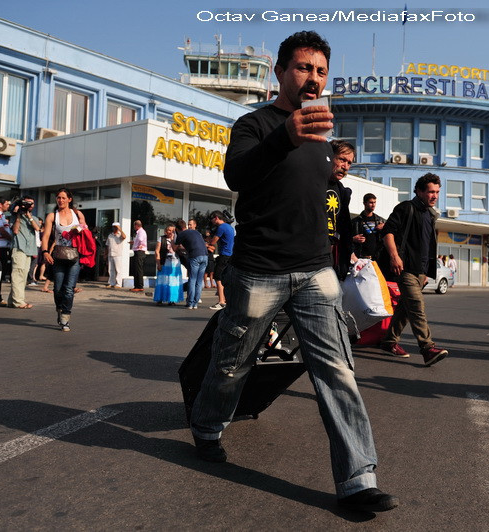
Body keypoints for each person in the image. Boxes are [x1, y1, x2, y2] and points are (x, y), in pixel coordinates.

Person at [190, 31, 398, 513]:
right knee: (231, 362)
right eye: (304, 68)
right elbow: (236, 176)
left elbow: (315, 207)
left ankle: (358, 481)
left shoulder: (324, 142)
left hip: (314, 272)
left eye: (321, 71)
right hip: (258, 271)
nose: (313, 78)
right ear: (280, 71)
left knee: (337, 371)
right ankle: (206, 426)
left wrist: (342, 258)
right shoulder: (254, 124)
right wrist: (284, 137)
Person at [379, 173, 449, 366]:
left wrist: (426, 272)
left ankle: (389, 341)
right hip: (405, 269)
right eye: (430, 192)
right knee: (417, 307)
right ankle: (427, 348)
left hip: (420, 272)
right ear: (418, 191)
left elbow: (426, 246)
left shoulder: (429, 214)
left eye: (437, 192)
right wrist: (394, 256)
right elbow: (388, 232)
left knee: (405, 308)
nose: (434, 196)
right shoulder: (406, 208)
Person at [40, 188, 86, 332]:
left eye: (63, 198)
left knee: (69, 289)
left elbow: (85, 229)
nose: (60, 200)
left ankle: (65, 318)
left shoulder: (77, 214)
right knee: (58, 289)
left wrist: (79, 229)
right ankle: (60, 309)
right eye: (58, 198)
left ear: (69, 199)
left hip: (74, 256)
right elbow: (46, 236)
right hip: (58, 255)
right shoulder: (52, 216)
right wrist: (45, 252)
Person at [327, 139, 355, 279]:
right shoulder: (313, 183)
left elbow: (344, 229)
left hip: (327, 260)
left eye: (349, 163)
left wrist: (350, 253)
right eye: (342, 160)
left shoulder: (342, 192)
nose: (345, 167)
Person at [8, 196, 40, 309]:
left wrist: (29, 216)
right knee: (18, 275)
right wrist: (18, 216)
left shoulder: (34, 218)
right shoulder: (14, 217)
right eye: (27, 203)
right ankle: (19, 302)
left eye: (31, 203)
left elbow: (37, 228)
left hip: (29, 250)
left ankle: (12, 300)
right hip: (19, 248)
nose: (29, 205)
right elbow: (15, 231)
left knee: (23, 276)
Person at [174, 219, 208, 310]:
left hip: (195, 257)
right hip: (205, 256)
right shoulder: (195, 232)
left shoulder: (181, 234)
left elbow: (174, 248)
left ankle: (190, 303)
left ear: (177, 229)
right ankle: (195, 303)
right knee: (199, 281)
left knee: (192, 280)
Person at [207, 211, 234, 310]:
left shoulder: (221, 227)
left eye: (212, 219)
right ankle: (226, 300)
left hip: (224, 255)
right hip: (230, 255)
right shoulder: (229, 227)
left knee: (217, 277)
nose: (211, 221)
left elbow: (213, 242)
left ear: (216, 218)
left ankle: (221, 302)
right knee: (224, 278)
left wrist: (208, 239)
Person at [153, 224, 183, 306]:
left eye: (173, 230)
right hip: (164, 262)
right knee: (163, 281)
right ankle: (160, 298)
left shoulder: (177, 239)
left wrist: (174, 241)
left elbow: (179, 249)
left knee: (173, 282)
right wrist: (158, 263)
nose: (171, 232)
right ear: (166, 231)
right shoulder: (161, 239)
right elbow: (157, 251)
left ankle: (172, 300)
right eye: (169, 230)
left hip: (175, 263)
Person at [351, 193, 385, 260]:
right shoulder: (355, 221)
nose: (373, 205)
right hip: (360, 258)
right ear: (364, 203)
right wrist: (353, 239)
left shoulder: (380, 220)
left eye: (374, 202)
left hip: (376, 258)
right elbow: (345, 239)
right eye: (371, 202)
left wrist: (385, 227)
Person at [106, 222, 127, 289]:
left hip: (117, 254)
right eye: (113, 227)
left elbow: (124, 237)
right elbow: (107, 245)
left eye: (116, 227)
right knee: (111, 270)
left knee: (118, 270)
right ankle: (112, 283)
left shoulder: (120, 235)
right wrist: (105, 254)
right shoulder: (110, 235)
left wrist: (120, 229)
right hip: (110, 254)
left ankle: (118, 284)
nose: (114, 228)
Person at [130, 220, 147, 292]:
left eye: (134, 226)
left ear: (136, 225)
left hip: (139, 251)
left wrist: (136, 244)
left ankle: (139, 286)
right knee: (136, 269)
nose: (134, 227)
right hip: (138, 251)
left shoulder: (141, 232)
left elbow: (140, 239)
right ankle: (136, 285)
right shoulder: (139, 232)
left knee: (138, 269)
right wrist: (134, 242)